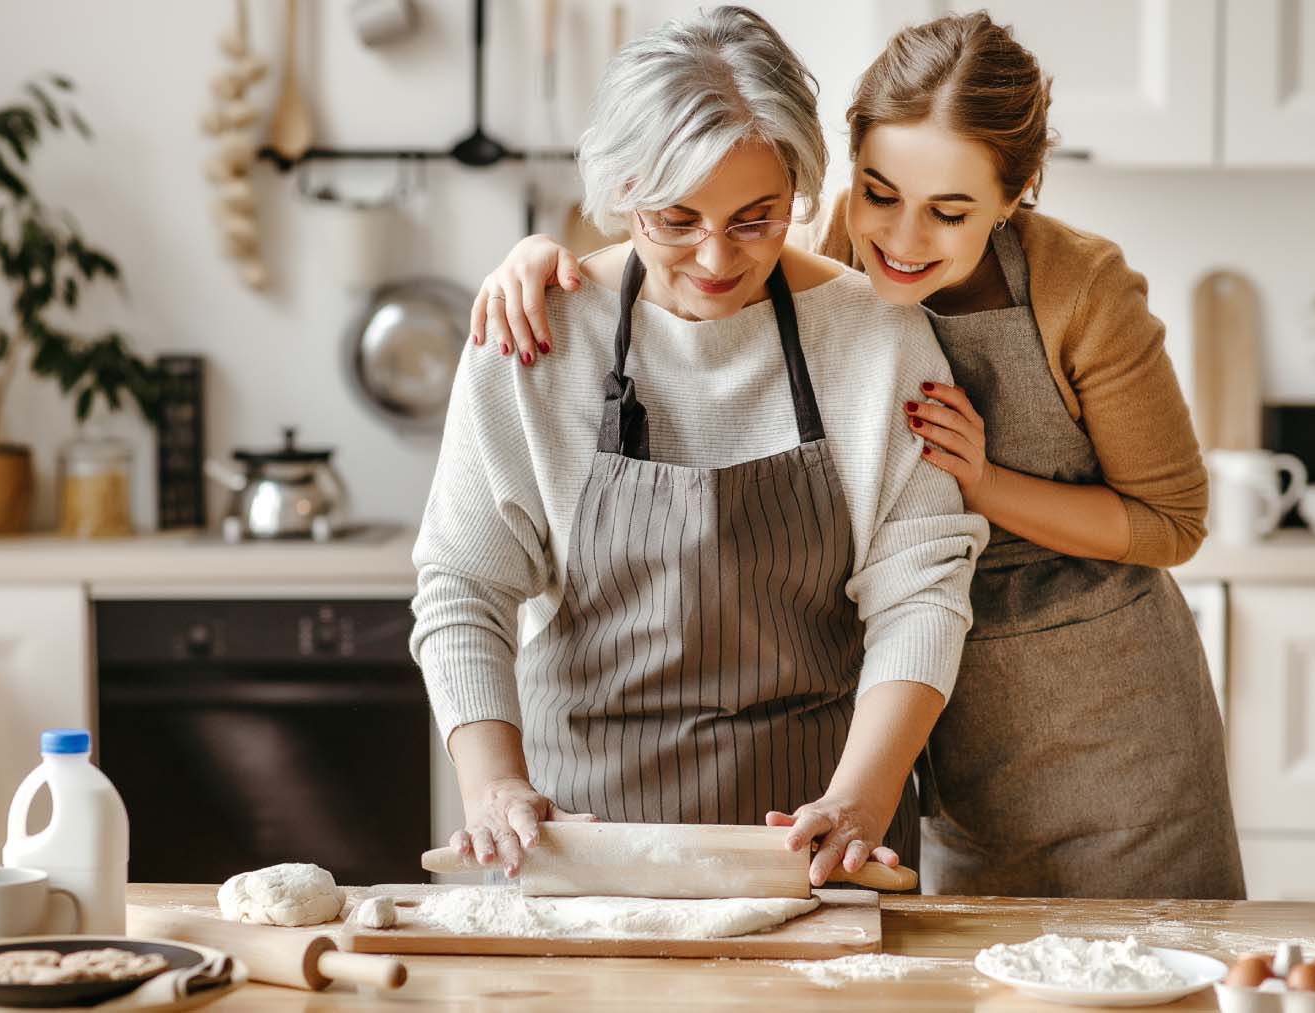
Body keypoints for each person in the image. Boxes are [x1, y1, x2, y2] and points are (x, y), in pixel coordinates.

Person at [467, 10, 1245, 899]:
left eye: (949, 212)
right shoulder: (830, 258)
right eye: (880, 193)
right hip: (935, 722)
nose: (904, 240)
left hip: (1104, 718)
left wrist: (982, 484)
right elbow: (700, 239)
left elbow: (1171, 523)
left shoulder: (1080, 291)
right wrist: (546, 263)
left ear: (1018, 191)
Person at [411, 6, 987, 890]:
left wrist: (862, 801)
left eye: (758, 219)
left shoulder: (877, 340)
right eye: (675, 221)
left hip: (816, 844)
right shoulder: (535, 336)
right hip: (582, 845)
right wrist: (493, 787)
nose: (717, 258)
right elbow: (463, 582)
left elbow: (922, 591)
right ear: (622, 193)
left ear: (799, 188)